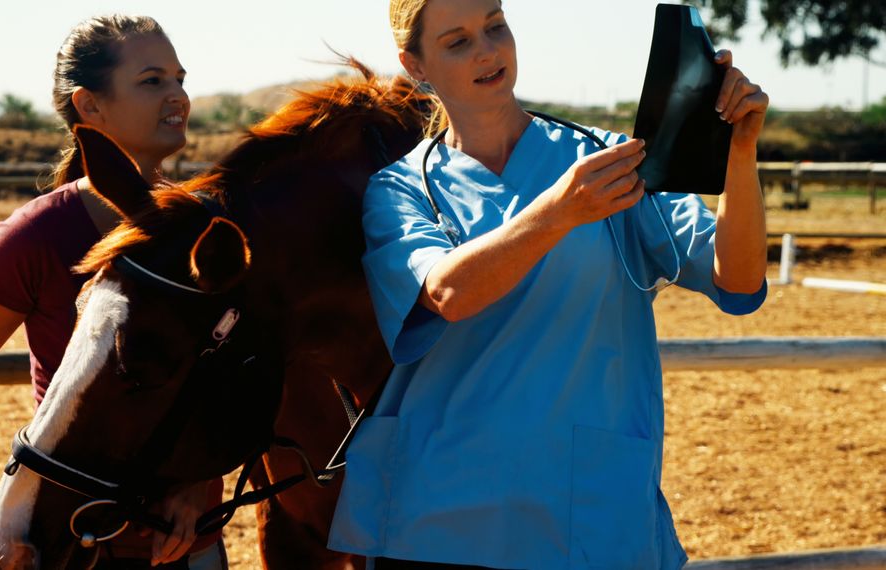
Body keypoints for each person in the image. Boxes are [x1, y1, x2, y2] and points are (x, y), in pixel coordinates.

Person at [328, 0, 769, 568]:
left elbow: (737, 278)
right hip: (437, 525)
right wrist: (559, 212)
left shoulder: (609, 162)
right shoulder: (401, 190)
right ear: (415, 65)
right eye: (457, 41)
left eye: (495, 27)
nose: (488, 51)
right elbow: (447, 294)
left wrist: (740, 150)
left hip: (588, 513)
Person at [0, 15, 226, 569]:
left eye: (180, 79)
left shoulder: (208, 228)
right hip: (65, 543)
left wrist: (198, 483)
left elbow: (228, 372)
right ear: (89, 106)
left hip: (188, 546)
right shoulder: (32, 238)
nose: (178, 96)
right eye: (152, 80)